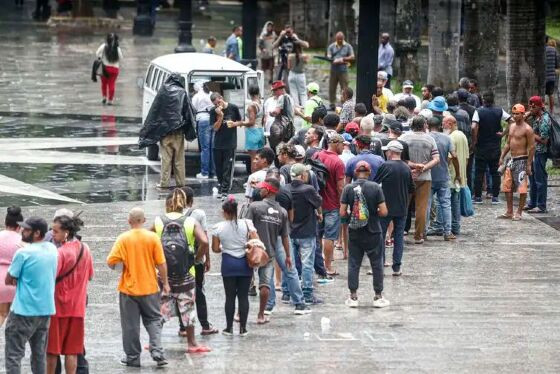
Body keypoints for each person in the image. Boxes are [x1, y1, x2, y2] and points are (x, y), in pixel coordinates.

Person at [106, 208, 170, 367]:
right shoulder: (153, 237)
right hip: (150, 288)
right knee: (154, 319)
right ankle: (157, 352)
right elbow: (161, 263)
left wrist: (123, 266)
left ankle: (133, 358)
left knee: (130, 325)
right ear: (144, 220)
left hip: (129, 290)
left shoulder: (123, 238)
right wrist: (166, 283)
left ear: (129, 221)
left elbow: (111, 261)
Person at [153, 189, 211, 352]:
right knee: (187, 307)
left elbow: (148, 239)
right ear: (184, 203)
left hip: (164, 273)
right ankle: (192, 343)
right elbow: (205, 242)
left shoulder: (158, 221)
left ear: (167, 203)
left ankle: (154, 342)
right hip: (186, 273)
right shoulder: (190, 221)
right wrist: (195, 259)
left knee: (161, 307)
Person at [246, 178, 310, 323]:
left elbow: (247, 227)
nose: (259, 190)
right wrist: (288, 255)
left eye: (262, 188)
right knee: (271, 280)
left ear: (267, 190)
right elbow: (285, 236)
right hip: (270, 250)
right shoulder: (282, 212)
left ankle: (267, 307)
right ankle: (299, 304)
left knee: (254, 283)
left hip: (253, 251)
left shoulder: (254, 207)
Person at [4, 217, 58, 374]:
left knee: (14, 355)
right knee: (39, 354)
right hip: (45, 310)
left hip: (23, 311)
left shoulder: (22, 253)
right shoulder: (52, 249)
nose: (22, 231)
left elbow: (9, 279)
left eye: (26, 229)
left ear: (37, 233)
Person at [46, 215, 93, 374]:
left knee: (52, 351)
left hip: (58, 308)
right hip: (77, 308)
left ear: (66, 232)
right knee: (72, 351)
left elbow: (50, 278)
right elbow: (90, 275)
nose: (52, 233)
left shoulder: (60, 253)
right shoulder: (85, 249)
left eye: (55, 231)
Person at [340, 161, 390, 308]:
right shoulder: (375, 187)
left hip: (355, 231)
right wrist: (374, 213)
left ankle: (353, 296)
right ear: (369, 173)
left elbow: (342, 212)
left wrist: (352, 216)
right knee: (377, 263)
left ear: (355, 172)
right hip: (374, 230)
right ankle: (378, 296)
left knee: (354, 263)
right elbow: (384, 211)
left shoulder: (348, 188)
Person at [139, 73, 196, 189]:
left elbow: (155, 112)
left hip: (164, 133)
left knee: (166, 159)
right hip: (178, 133)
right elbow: (188, 112)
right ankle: (180, 183)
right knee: (179, 160)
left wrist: (150, 132)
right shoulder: (182, 92)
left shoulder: (163, 91)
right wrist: (189, 130)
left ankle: (164, 183)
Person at [211, 196, 257, 336]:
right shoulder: (247, 224)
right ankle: (243, 328)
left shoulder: (218, 227)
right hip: (244, 263)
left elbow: (215, 249)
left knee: (229, 297)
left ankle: (229, 328)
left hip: (228, 264)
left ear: (225, 212)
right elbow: (256, 241)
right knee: (243, 296)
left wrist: (225, 247)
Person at [181, 187, 217, 336]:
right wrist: (206, 258)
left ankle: (183, 327)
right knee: (199, 291)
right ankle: (205, 325)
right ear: (192, 200)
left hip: (179, 260)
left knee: (181, 292)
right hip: (196, 259)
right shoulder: (199, 214)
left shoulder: (172, 215)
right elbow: (205, 238)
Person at [399, 116, 440, 244]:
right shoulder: (430, 139)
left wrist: (412, 166)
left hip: (406, 176)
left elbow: (399, 157)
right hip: (425, 177)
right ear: (424, 125)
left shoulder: (404, 138)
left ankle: (398, 233)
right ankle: (418, 236)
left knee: (403, 206)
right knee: (421, 208)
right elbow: (436, 159)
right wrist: (423, 168)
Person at [374, 141, 414, 275]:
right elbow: (411, 189)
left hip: (385, 207)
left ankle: (380, 264)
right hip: (402, 208)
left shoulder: (385, 166)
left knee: (380, 236)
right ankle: (397, 267)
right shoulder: (406, 167)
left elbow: (375, 184)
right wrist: (406, 204)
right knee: (398, 237)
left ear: (390, 152)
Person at [288, 163, 324, 303]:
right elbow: (318, 202)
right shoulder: (308, 189)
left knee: (291, 264)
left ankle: (290, 293)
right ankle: (307, 294)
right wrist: (320, 214)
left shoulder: (285, 190)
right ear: (303, 175)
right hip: (306, 232)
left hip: (290, 232)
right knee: (307, 264)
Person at [314, 134, 346, 275]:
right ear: (336, 144)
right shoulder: (338, 162)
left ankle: (317, 265)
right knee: (330, 237)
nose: (343, 148)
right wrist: (343, 203)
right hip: (332, 204)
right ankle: (327, 266)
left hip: (316, 203)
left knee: (317, 236)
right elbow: (340, 187)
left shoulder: (316, 156)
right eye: (342, 145)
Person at [471, 91, 510, 204]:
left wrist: (474, 141)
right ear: (493, 100)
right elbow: (511, 120)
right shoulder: (499, 110)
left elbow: (474, 127)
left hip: (481, 146)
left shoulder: (478, 111)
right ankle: (495, 196)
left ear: (483, 100)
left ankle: (478, 197)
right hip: (495, 146)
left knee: (479, 172)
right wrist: (504, 133)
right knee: (495, 172)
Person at [498, 104, 535, 221]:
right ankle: (509, 211)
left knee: (522, 188)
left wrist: (528, 164)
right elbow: (508, 143)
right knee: (507, 186)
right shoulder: (512, 126)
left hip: (522, 160)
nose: (515, 116)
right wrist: (502, 156)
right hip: (511, 160)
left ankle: (519, 212)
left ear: (523, 114)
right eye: (513, 113)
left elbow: (532, 147)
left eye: (517, 113)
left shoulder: (528, 129)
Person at [426, 117, 460, 241]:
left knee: (427, 204)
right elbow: (454, 156)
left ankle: (423, 231)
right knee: (446, 204)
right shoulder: (447, 138)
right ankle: (447, 232)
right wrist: (458, 173)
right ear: (440, 125)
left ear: (427, 125)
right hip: (443, 175)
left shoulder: (426, 137)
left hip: (428, 176)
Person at [211, 93, 241, 200]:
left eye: (218, 102)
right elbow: (215, 128)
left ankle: (225, 190)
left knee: (227, 168)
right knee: (219, 169)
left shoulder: (233, 108)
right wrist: (220, 117)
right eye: (215, 104)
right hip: (218, 143)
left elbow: (240, 121)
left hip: (230, 143)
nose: (217, 105)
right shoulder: (213, 111)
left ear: (222, 99)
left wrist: (234, 124)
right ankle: (221, 187)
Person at [524, 96, 551, 213]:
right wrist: (528, 114)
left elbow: (544, 140)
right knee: (532, 178)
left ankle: (541, 206)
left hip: (541, 151)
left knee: (540, 179)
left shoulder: (544, 119)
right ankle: (532, 203)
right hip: (534, 151)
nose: (531, 108)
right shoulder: (536, 116)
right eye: (530, 106)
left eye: (533, 106)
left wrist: (531, 134)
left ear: (539, 106)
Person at [443, 115, 469, 235]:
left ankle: (447, 227)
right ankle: (456, 227)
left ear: (450, 123)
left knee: (447, 203)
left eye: (444, 123)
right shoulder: (462, 136)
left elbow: (450, 158)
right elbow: (467, 158)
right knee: (456, 202)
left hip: (452, 175)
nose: (442, 125)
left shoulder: (451, 137)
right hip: (460, 176)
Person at [228, 85, 264, 173]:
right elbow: (263, 119)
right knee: (259, 158)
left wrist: (238, 123)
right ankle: (259, 179)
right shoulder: (260, 103)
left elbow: (251, 122)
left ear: (249, 93)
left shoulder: (251, 106)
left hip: (252, 132)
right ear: (258, 92)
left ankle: (253, 180)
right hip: (260, 131)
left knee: (253, 159)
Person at [0, 207, 22, 328]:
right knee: (18, 319)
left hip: (0, 283)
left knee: (2, 314)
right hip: (15, 283)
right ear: (19, 227)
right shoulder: (22, 241)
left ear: (5, 223)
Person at [192, 82, 215, 179]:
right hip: (212, 120)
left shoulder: (196, 96)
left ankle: (204, 173)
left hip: (202, 120)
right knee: (212, 147)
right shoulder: (211, 94)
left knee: (205, 148)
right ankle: (213, 173)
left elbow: (193, 108)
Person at [327, 32, 355, 108]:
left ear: (343, 38)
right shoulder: (332, 46)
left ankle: (344, 103)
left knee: (344, 87)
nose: (339, 40)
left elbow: (352, 56)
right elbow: (328, 55)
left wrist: (342, 59)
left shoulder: (348, 46)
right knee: (332, 87)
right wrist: (330, 58)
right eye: (338, 39)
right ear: (336, 38)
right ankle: (332, 103)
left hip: (343, 70)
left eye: (341, 39)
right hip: (333, 69)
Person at [96, 33, 123, 105]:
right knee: (112, 84)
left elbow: (97, 53)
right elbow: (121, 58)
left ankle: (104, 97)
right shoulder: (118, 49)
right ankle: (110, 100)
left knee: (104, 84)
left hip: (105, 68)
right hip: (114, 69)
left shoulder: (103, 46)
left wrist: (101, 58)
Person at [545, 39, 559, 113]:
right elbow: (557, 64)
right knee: (551, 94)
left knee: (542, 94)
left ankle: (542, 110)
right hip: (552, 77)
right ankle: (551, 110)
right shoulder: (555, 51)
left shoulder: (544, 49)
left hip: (544, 76)